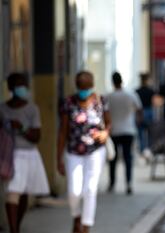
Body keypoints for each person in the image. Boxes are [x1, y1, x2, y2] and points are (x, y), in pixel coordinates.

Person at [57, 71, 111, 233]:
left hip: (95, 151)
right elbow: (63, 132)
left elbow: (108, 123)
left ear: (92, 85)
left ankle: (86, 227)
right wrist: (58, 158)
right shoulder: (69, 103)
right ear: (77, 86)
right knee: (74, 191)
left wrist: (105, 133)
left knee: (90, 189)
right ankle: (76, 217)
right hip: (73, 151)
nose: (84, 90)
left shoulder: (101, 101)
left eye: (87, 87)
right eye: (81, 87)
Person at [0, 73, 49, 233]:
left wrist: (21, 127)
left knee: (23, 193)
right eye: (18, 84)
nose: (22, 88)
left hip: (29, 154)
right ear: (10, 88)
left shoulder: (32, 108)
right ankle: (14, 230)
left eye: (23, 84)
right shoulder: (2, 109)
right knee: (13, 192)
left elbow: (36, 136)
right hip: (10, 155)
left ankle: (17, 227)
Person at [107, 72, 142, 194]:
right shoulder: (130, 95)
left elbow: (104, 114)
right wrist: (137, 123)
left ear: (113, 82)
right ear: (122, 80)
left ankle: (112, 183)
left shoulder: (109, 96)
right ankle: (129, 183)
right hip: (128, 130)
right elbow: (139, 110)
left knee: (113, 159)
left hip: (114, 131)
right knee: (128, 158)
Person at [136, 73, 155, 155]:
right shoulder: (151, 91)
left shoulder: (137, 91)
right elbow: (154, 102)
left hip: (140, 112)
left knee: (140, 133)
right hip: (148, 111)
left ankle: (142, 150)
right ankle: (149, 149)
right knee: (149, 132)